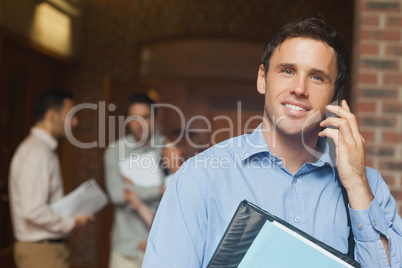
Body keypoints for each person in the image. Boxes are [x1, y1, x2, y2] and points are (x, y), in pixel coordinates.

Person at [142, 18, 402, 268]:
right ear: (262, 79)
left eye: (317, 77)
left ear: (334, 95)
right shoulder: (200, 179)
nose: (299, 88)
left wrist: (356, 185)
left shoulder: (370, 188)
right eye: (288, 71)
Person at [8, 89, 94, 268]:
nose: (76, 122)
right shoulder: (37, 151)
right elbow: (33, 210)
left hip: (44, 249)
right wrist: (72, 222)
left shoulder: (41, 149)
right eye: (71, 115)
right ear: (52, 116)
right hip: (41, 251)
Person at [104, 93, 166, 268]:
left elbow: (173, 192)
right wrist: (158, 190)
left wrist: (133, 188)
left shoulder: (167, 149)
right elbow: (116, 194)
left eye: (146, 117)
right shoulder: (115, 151)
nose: (140, 123)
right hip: (125, 246)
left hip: (159, 243)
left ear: (154, 118)